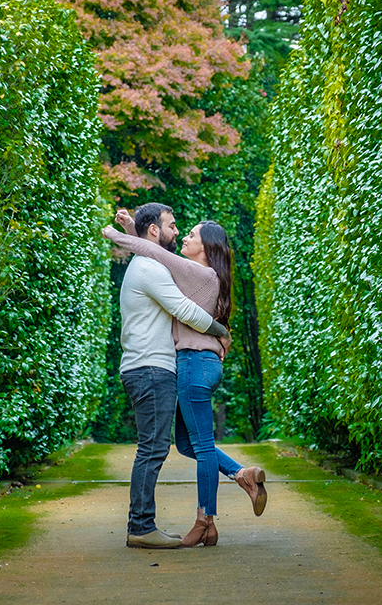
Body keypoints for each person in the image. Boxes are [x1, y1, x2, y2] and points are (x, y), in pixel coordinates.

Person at [105, 208, 267, 548]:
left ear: (207, 248)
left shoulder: (199, 274)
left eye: (189, 232)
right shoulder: (172, 269)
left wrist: (121, 235)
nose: (181, 234)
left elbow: (155, 250)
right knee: (186, 444)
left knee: (194, 447)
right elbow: (152, 247)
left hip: (194, 363)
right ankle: (242, 475)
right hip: (175, 364)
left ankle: (204, 520)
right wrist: (130, 229)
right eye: (176, 227)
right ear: (154, 230)